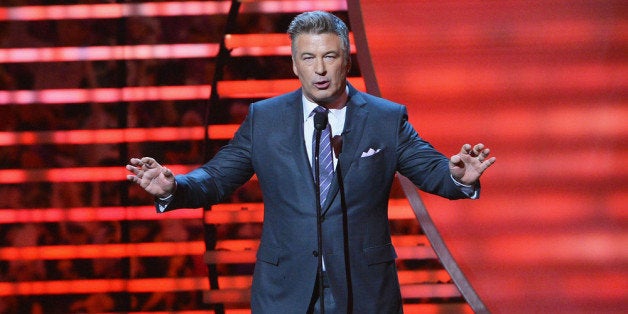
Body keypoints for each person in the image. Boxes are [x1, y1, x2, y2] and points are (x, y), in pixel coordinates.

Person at [126, 11, 496, 314]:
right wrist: (175, 187)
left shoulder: (384, 118)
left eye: (329, 57)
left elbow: (431, 169)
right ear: (294, 64)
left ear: (346, 60)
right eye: (309, 57)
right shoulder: (265, 119)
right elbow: (219, 176)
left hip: (363, 291)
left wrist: (458, 175)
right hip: (284, 290)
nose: (320, 69)